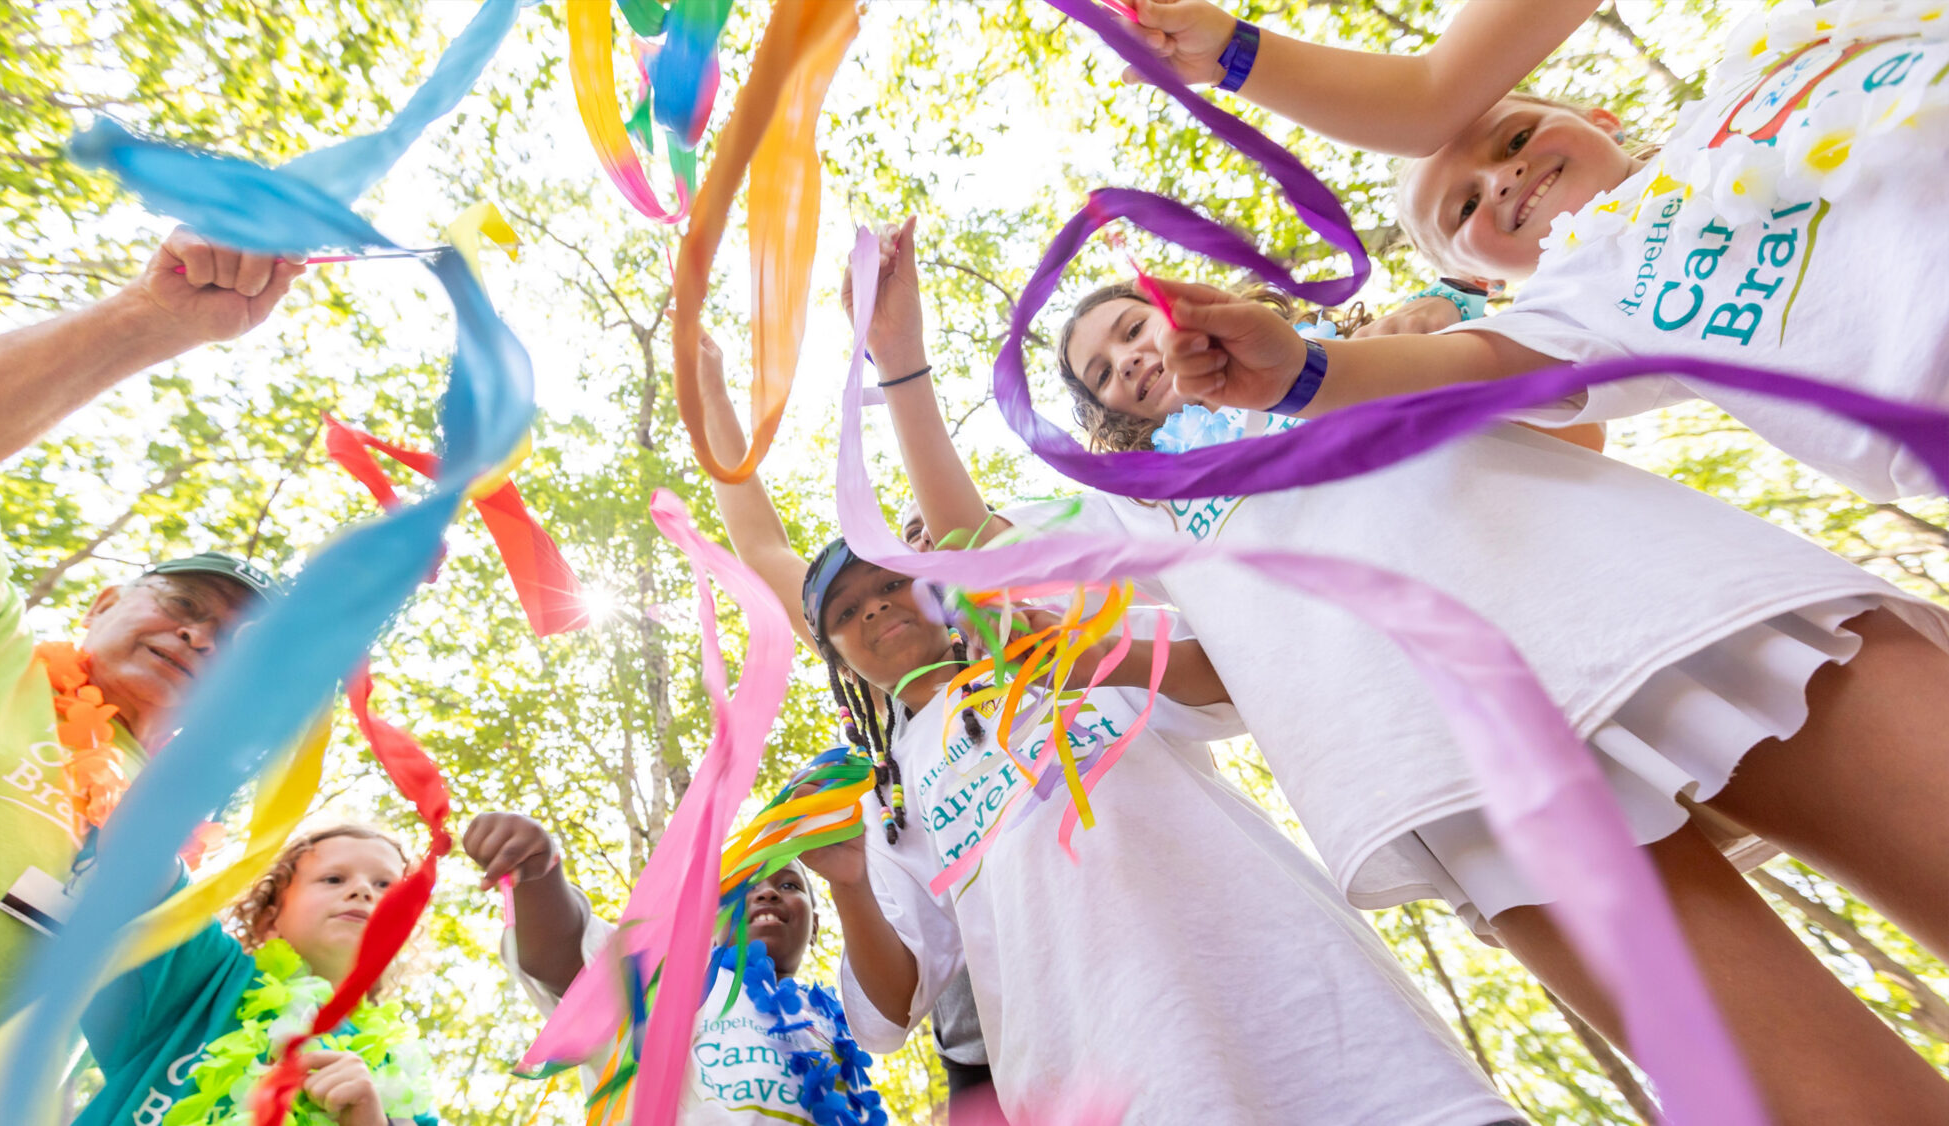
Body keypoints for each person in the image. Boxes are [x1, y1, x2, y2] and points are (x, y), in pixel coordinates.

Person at [956, 267, 1949, 1123]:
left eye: (1127, 327)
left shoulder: (1334, 346)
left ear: (1177, 305)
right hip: (1438, 752)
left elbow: (1564, 417)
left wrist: (1420, 326)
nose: (1123, 359)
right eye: (1096, 370)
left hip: (1632, 602)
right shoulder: (1126, 506)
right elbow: (1225, 671)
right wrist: (1096, 658)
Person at [691, 273, 1525, 1125]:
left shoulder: (1069, 635)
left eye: (897, 583)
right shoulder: (892, 793)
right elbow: (891, 1007)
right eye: (844, 612)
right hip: (1093, 1070)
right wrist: (712, 406)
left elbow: (1243, 678)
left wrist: (1095, 657)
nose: (874, 608)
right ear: (831, 654)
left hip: (1302, 1007)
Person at [1119, 0, 1949, 502]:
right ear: (1481, 276)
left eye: (1512, 135)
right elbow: (1464, 369)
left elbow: (1435, 93)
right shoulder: (1581, 298)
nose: (1503, 177)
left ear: (1599, 116)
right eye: (1467, 207)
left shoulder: (1755, 70)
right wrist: (1301, 374)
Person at [0, 227, 303, 1117]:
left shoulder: (170, 858)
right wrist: (149, 318)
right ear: (102, 601)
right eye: (186, 608)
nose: (202, 641)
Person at [467, 810, 889, 1125]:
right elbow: (563, 960)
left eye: (789, 885)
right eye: (743, 886)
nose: (766, 895)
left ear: (815, 924)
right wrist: (540, 877)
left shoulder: (840, 1024)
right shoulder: (669, 982)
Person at [74, 825, 438, 1126]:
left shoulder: (401, 1079)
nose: (362, 891)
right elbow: (134, 845)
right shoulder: (210, 974)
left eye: (386, 887)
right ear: (268, 918)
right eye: (332, 879)